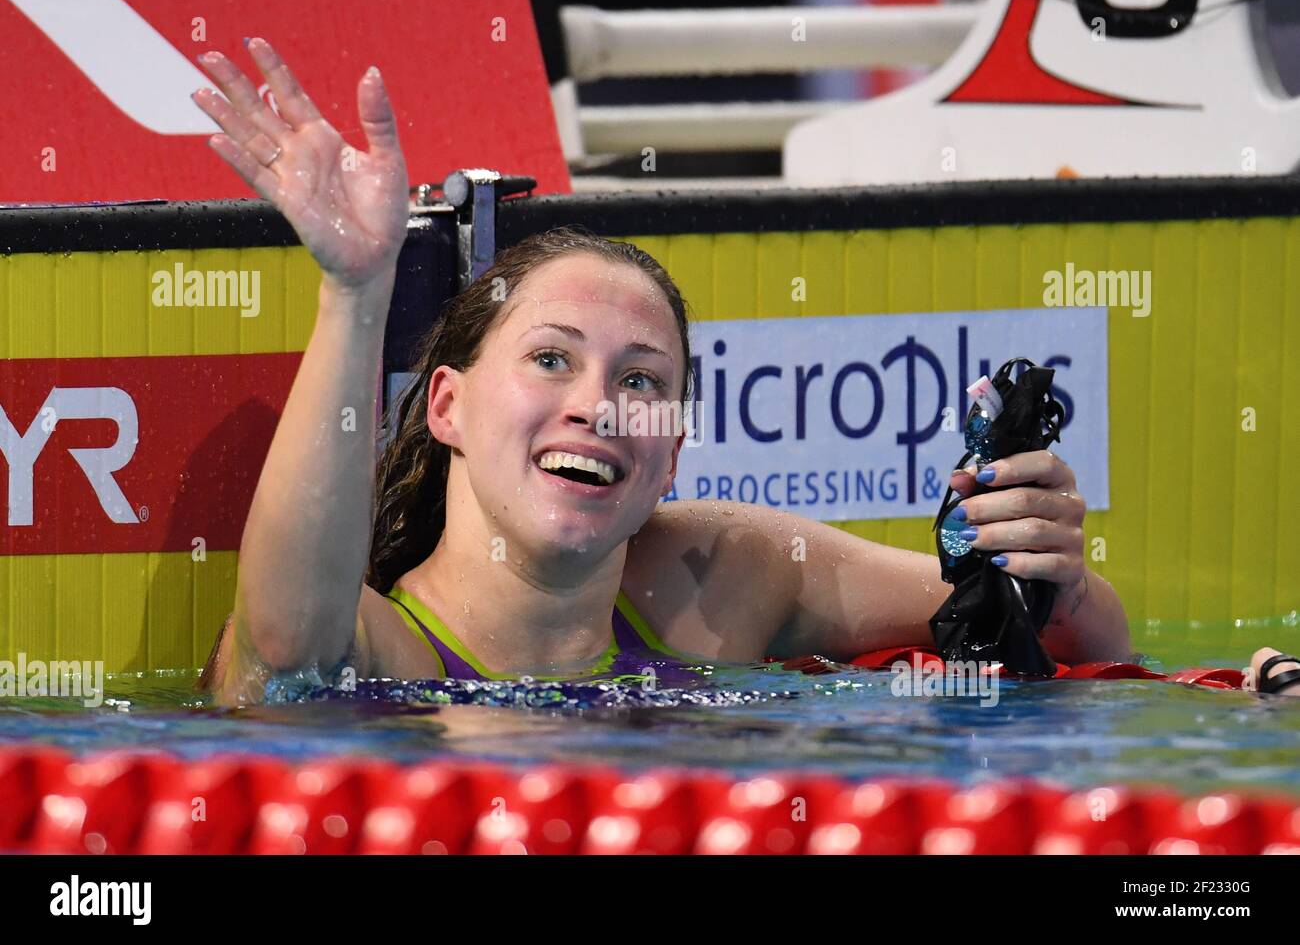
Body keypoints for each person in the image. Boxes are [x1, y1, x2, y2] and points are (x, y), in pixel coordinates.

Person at [190, 39, 1291, 703]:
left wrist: (1046, 566)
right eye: (549, 359)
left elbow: (1071, 640)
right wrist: (355, 287)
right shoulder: (390, 657)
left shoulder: (730, 575)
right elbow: (285, 656)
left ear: (670, 447)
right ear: (448, 406)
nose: (597, 405)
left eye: (640, 380)